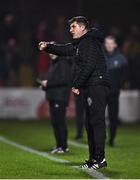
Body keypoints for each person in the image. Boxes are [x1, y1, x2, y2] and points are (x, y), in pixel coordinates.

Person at [38, 16, 110, 169]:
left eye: (74, 27)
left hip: (97, 85)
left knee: (96, 122)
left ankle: (100, 159)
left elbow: (90, 65)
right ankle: (93, 159)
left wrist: (77, 84)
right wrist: (48, 47)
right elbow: (65, 49)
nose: (71, 30)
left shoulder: (89, 41)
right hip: (90, 85)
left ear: (83, 28)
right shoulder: (81, 43)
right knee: (89, 124)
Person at [38, 54, 71, 154]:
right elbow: (55, 81)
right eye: (49, 51)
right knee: (55, 123)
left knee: (60, 122)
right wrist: (45, 86)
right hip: (54, 97)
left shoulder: (63, 63)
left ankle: (64, 147)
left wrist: (48, 83)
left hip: (60, 97)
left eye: (53, 51)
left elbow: (64, 80)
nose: (51, 53)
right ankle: (59, 145)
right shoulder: (54, 63)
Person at [104, 35, 128, 147]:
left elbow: (125, 75)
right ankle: (100, 137)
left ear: (115, 45)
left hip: (114, 93)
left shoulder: (121, 58)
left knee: (113, 117)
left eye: (111, 43)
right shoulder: (101, 57)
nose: (109, 45)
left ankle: (112, 139)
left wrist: (118, 85)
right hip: (102, 92)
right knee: (98, 116)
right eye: (107, 43)